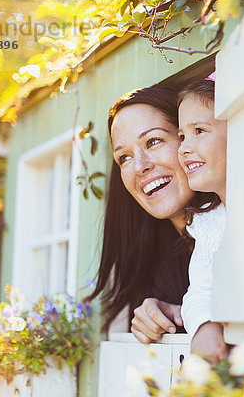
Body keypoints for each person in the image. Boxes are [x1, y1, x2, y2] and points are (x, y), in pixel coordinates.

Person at [85, 87, 215, 344]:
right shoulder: (152, 254)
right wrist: (163, 311)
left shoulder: (231, 227)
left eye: (153, 141)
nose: (140, 165)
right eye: (124, 157)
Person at [177, 78, 229, 363]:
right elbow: (198, 290)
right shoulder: (210, 222)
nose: (184, 148)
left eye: (199, 130)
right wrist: (204, 326)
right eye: (182, 136)